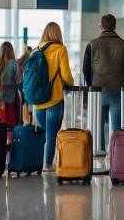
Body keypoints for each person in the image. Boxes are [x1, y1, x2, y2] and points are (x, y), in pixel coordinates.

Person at [82, 14, 124, 151]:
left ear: (101, 26)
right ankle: (115, 153)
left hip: (97, 89)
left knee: (98, 125)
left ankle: (99, 151)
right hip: (117, 89)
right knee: (116, 125)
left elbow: (85, 69)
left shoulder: (91, 44)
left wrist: (90, 86)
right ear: (115, 26)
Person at [34, 22, 74, 172]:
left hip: (38, 100)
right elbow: (66, 75)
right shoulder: (60, 49)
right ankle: (48, 164)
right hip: (54, 98)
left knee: (43, 133)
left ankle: (38, 161)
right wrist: (71, 83)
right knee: (52, 133)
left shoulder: (36, 50)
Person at [17, 46, 33, 124]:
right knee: (29, 104)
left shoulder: (19, 60)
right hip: (28, 85)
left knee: (23, 103)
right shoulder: (31, 60)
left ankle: (23, 122)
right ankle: (29, 122)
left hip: (21, 85)